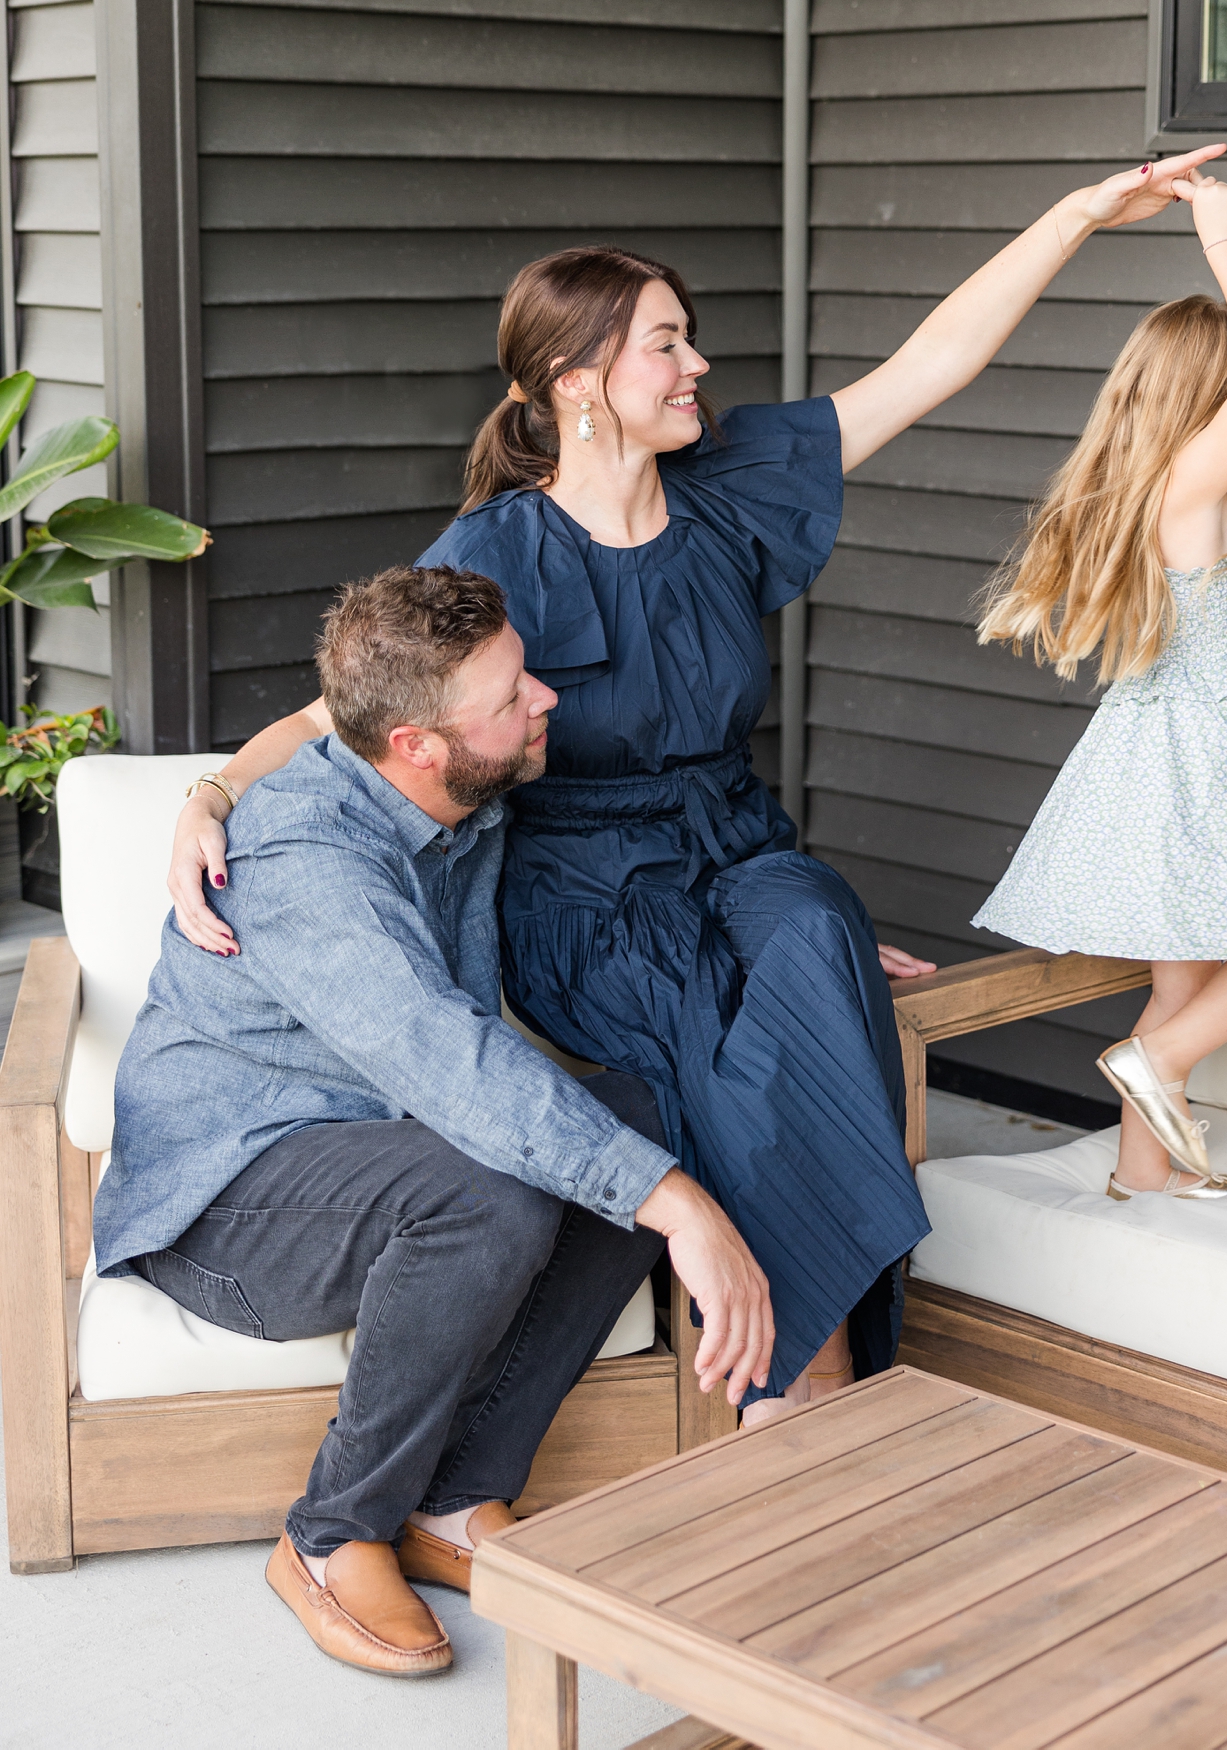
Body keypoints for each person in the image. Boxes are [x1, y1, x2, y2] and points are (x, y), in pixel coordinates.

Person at [169, 146, 1226, 1415]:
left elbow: (934, 367)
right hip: (581, 892)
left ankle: (803, 1388)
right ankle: (815, 1390)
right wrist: (211, 795)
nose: (698, 369)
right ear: (580, 385)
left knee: (817, 935)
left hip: (736, 846)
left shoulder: (727, 492)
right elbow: (352, 709)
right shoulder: (500, 550)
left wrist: (1078, 216)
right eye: (666, 346)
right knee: (705, 1026)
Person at [96, 566, 771, 1678]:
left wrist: (772, 934)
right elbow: (444, 1059)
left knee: (633, 1117)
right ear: (416, 743)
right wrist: (682, 1209)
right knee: (508, 1186)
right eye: (512, 697)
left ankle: (455, 1501)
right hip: (225, 1206)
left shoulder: (451, 786)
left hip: (380, 1148)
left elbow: (331, 715)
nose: (545, 698)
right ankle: (330, 1534)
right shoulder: (309, 862)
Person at [971, 164, 1227, 1201]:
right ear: (1213, 398)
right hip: (1213, 755)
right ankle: (1156, 1065)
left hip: (1165, 751)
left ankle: (1139, 1176)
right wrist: (1225, 236)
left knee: (1184, 973)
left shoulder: (1169, 492)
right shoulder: (1192, 489)